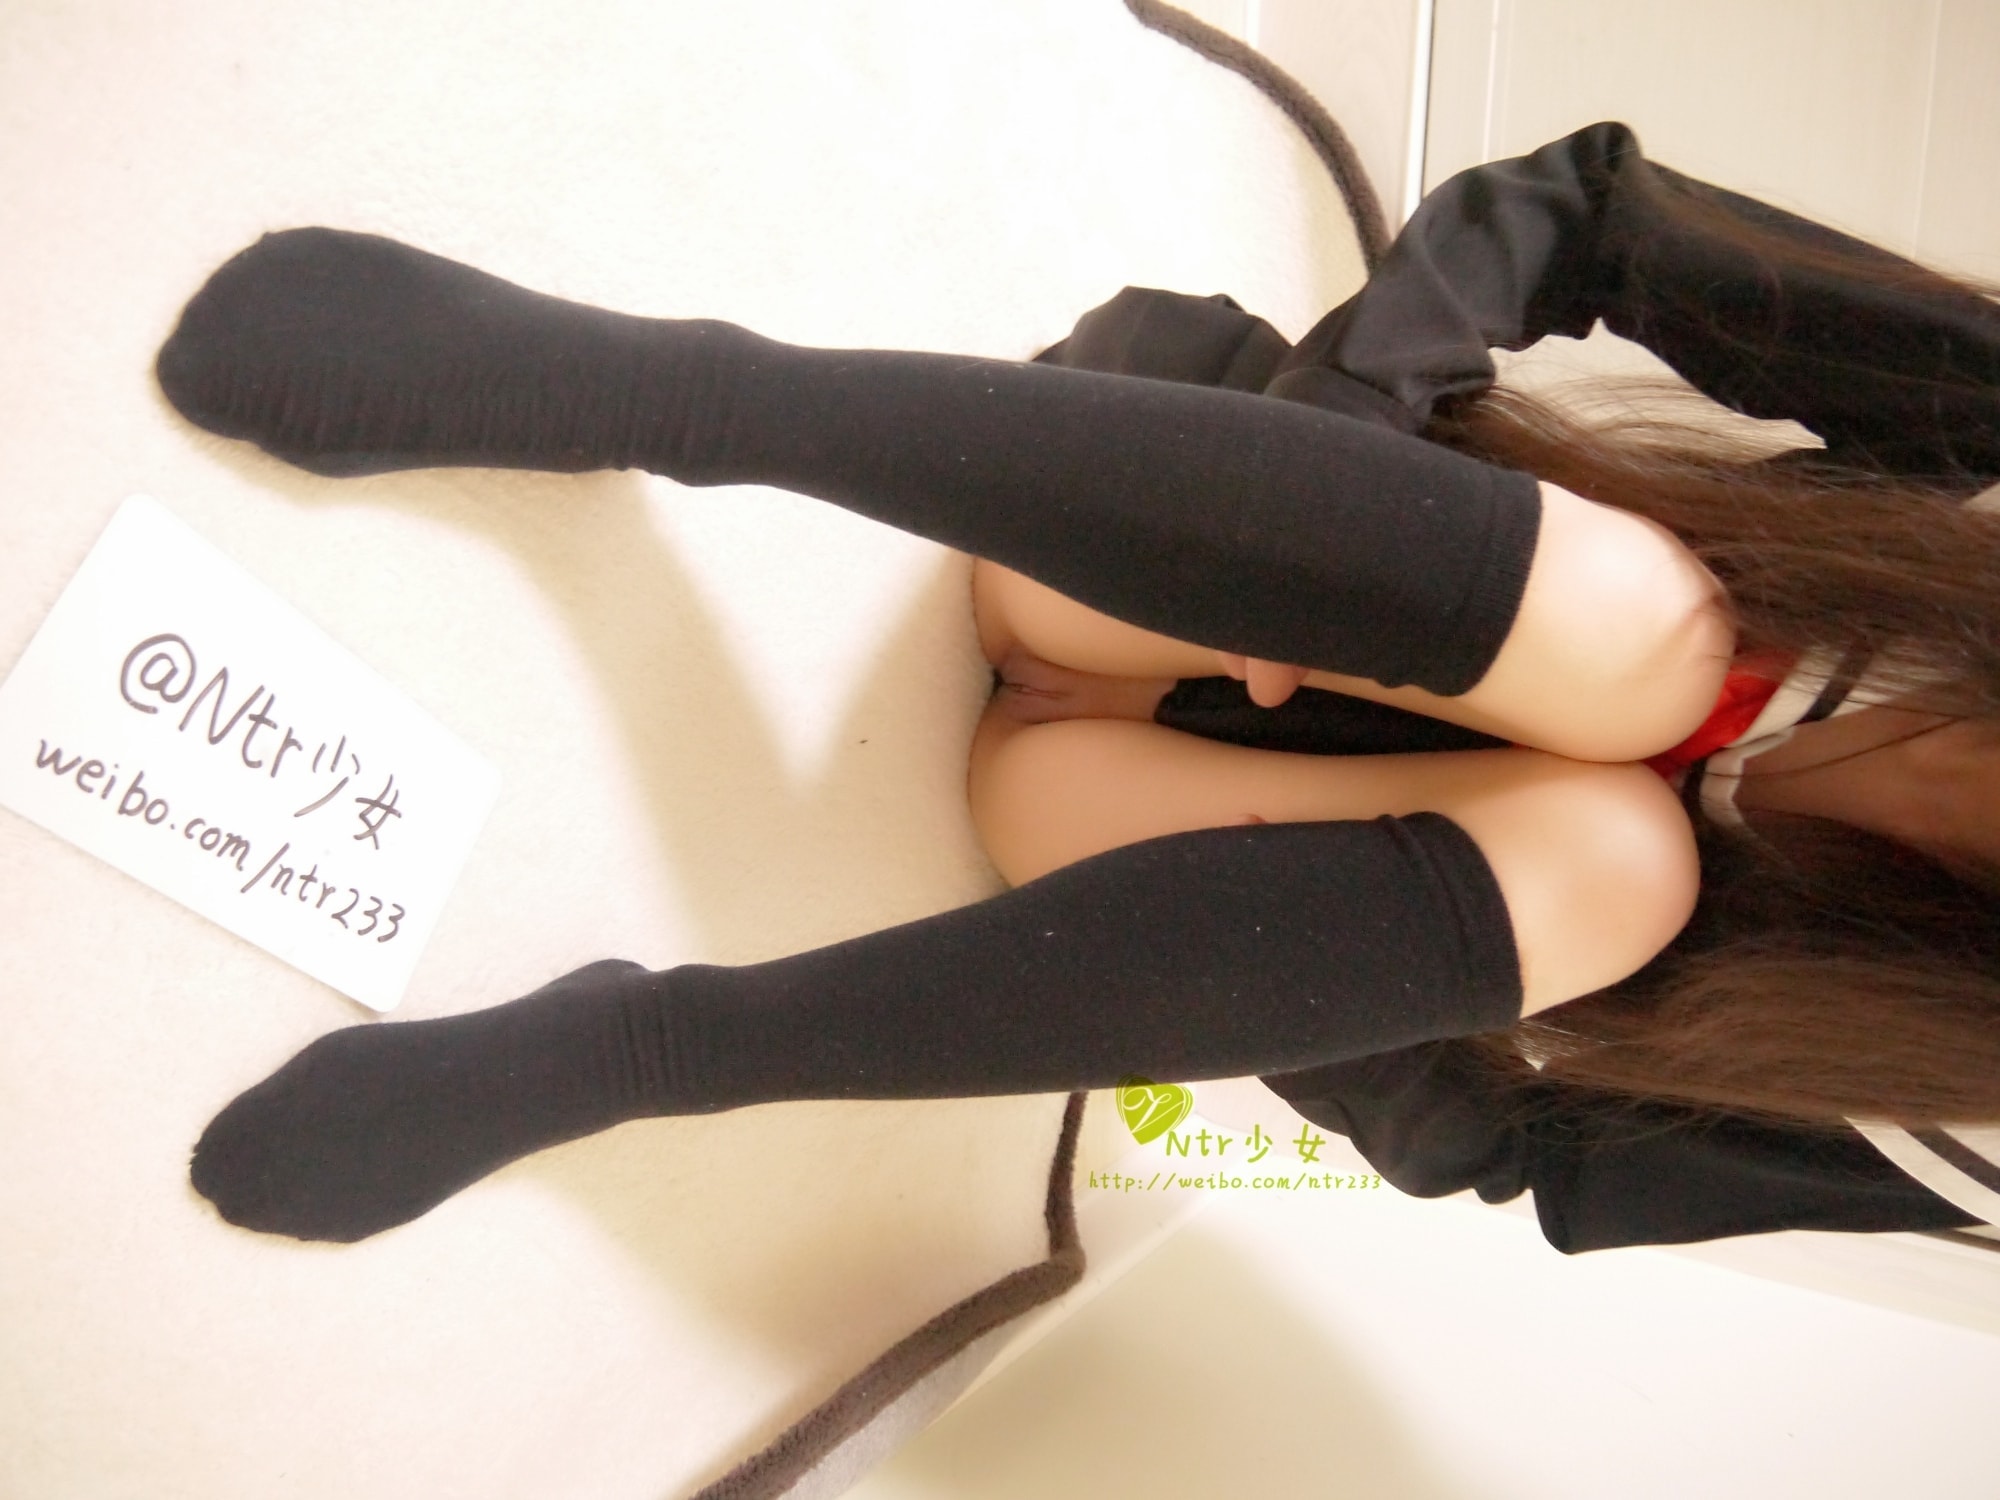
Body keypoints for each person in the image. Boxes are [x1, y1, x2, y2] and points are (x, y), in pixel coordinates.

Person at [156, 122, 2000, 1249]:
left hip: (1159, 845)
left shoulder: (1951, 1109)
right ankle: (658, 394)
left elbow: (1527, 1151)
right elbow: (1584, 212)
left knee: (1626, 871)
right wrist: (1344, 441)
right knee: (1653, 640)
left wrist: (1288, 963)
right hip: (1164, 525)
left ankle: (654, 1053)